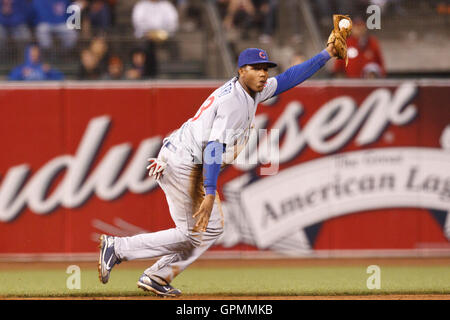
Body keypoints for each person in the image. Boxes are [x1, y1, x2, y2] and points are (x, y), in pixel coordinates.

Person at [98, 42, 339, 297]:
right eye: (256, 68)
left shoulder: (252, 90)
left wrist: (326, 54)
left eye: (265, 68)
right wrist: (210, 191)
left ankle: (153, 274)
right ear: (241, 70)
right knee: (196, 232)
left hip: (181, 156)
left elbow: (290, 77)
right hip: (185, 162)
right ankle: (121, 249)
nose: (263, 73)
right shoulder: (234, 102)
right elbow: (213, 148)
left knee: (204, 230)